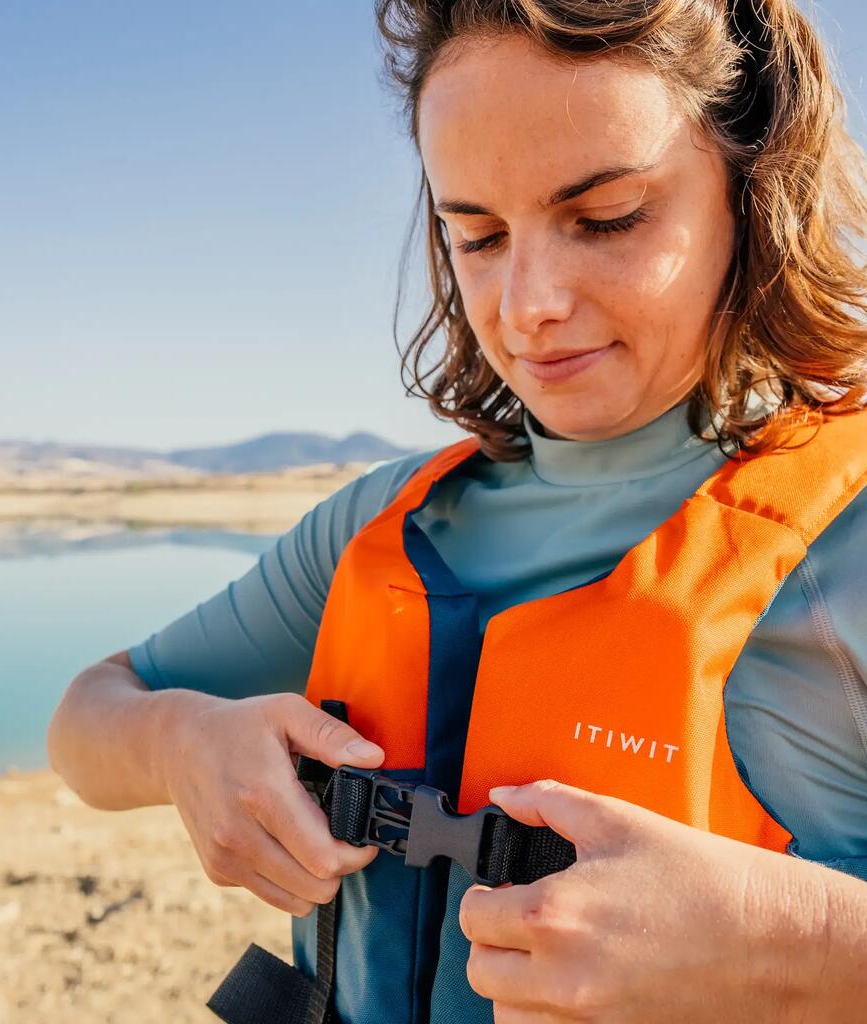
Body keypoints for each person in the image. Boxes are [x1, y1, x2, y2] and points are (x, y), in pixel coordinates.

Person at [47, 0, 867, 1020]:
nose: (526, 305)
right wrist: (178, 745)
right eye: (476, 235)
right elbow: (87, 719)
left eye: (606, 217)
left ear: (754, 188)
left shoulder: (850, 532)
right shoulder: (383, 524)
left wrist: (801, 947)